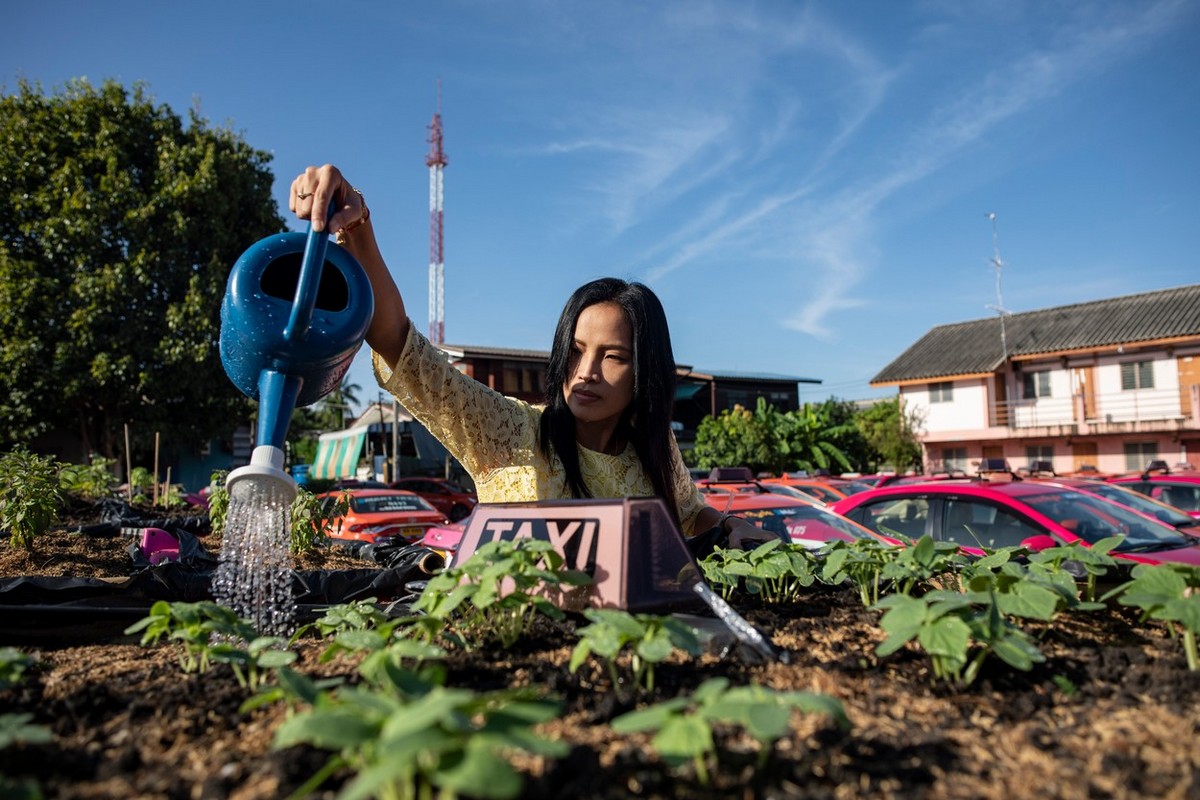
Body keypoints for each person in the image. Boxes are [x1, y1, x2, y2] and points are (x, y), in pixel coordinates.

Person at [290, 164, 774, 548]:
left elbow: (691, 514)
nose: (585, 373)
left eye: (613, 357)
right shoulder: (510, 432)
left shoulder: (654, 448)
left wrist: (729, 525)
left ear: (644, 373)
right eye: (577, 351)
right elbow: (399, 342)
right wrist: (356, 225)